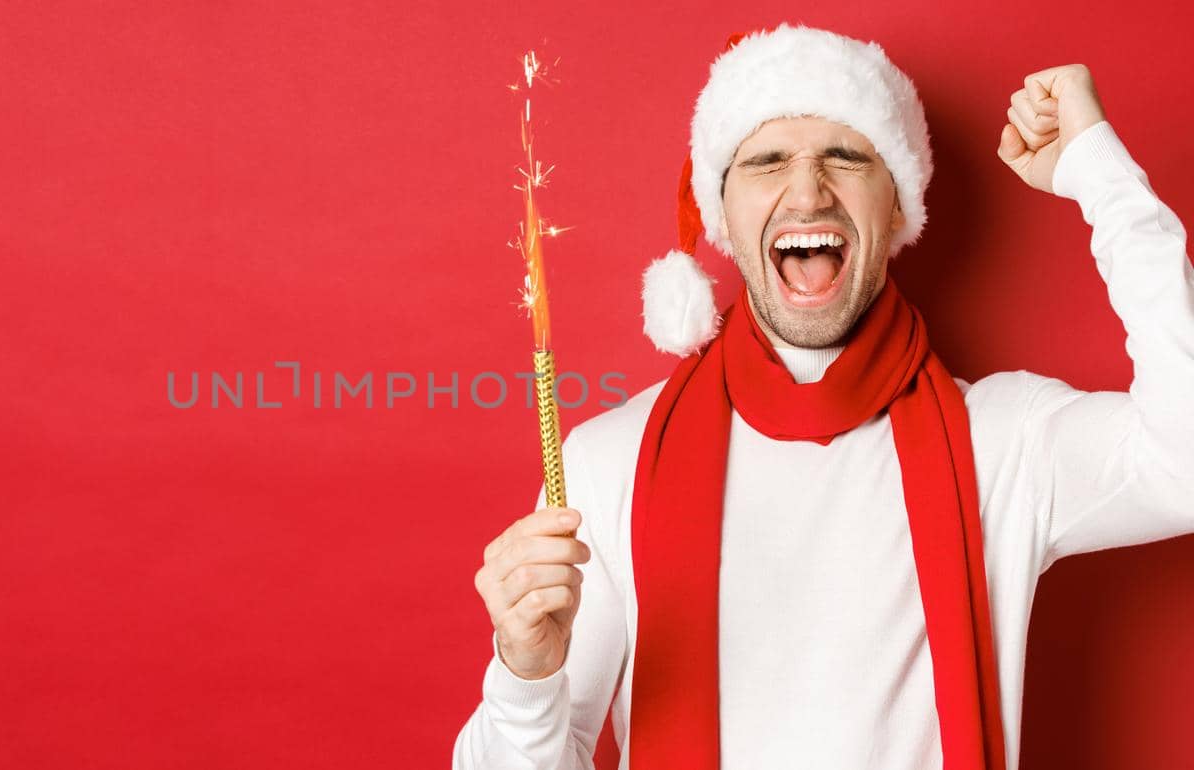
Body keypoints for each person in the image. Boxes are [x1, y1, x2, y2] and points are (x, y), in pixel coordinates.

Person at [453, 22, 1194, 770]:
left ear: (898, 207)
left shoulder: (1003, 441)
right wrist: (524, 675)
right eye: (767, 162)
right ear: (724, 215)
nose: (807, 192)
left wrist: (1100, 174)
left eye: (845, 157)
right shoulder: (610, 460)